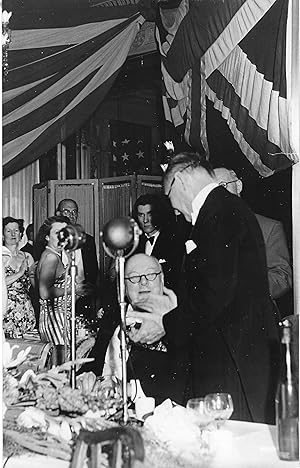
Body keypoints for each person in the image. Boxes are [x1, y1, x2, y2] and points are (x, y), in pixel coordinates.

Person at [126, 152, 280, 424]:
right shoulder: (223, 209)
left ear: (181, 180)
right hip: (228, 356)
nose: (175, 211)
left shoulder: (219, 213)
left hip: (232, 364)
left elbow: (214, 296)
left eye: (170, 200)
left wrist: (166, 324)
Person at [79, 253, 189, 404]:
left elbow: (184, 382)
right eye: (134, 277)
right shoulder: (113, 316)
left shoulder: (177, 322)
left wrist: (127, 389)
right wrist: (86, 376)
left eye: (150, 274)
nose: (143, 282)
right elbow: (95, 360)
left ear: (162, 281)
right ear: (123, 287)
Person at [213, 167, 292, 301]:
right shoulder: (205, 230)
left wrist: (245, 290)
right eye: (212, 191)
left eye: (223, 186)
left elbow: (282, 276)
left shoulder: (269, 228)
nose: (218, 195)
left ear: (238, 185)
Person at [35, 216, 87, 363]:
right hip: (54, 320)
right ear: (46, 236)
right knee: (60, 368)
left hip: (59, 318)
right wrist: (73, 289)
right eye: (57, 232)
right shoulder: (51, 257)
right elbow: (44, 293)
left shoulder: (55, 255)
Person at [56, 199, 99, 319]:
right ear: (58, 214)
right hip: (59, 300)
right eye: (66, 211)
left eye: (74, 212)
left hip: (83, 299)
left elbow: (93, 270)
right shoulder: (52, 241)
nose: (71, 215)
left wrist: (85, 291)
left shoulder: (88, 240)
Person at [132, 193, 184, 291]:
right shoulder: (133, 243)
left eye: (149, 214)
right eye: (141, 215)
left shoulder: (174, 241)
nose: (145, 220)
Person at [2, 217, 36, 338]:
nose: (12, 234)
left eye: (16, 230)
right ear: (2, 235)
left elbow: (35, 285)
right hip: (6, 308)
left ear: (21, 234)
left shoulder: (27, 256)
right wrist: (20, 272)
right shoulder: (1, 256)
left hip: (25, 308)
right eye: (8, 231)